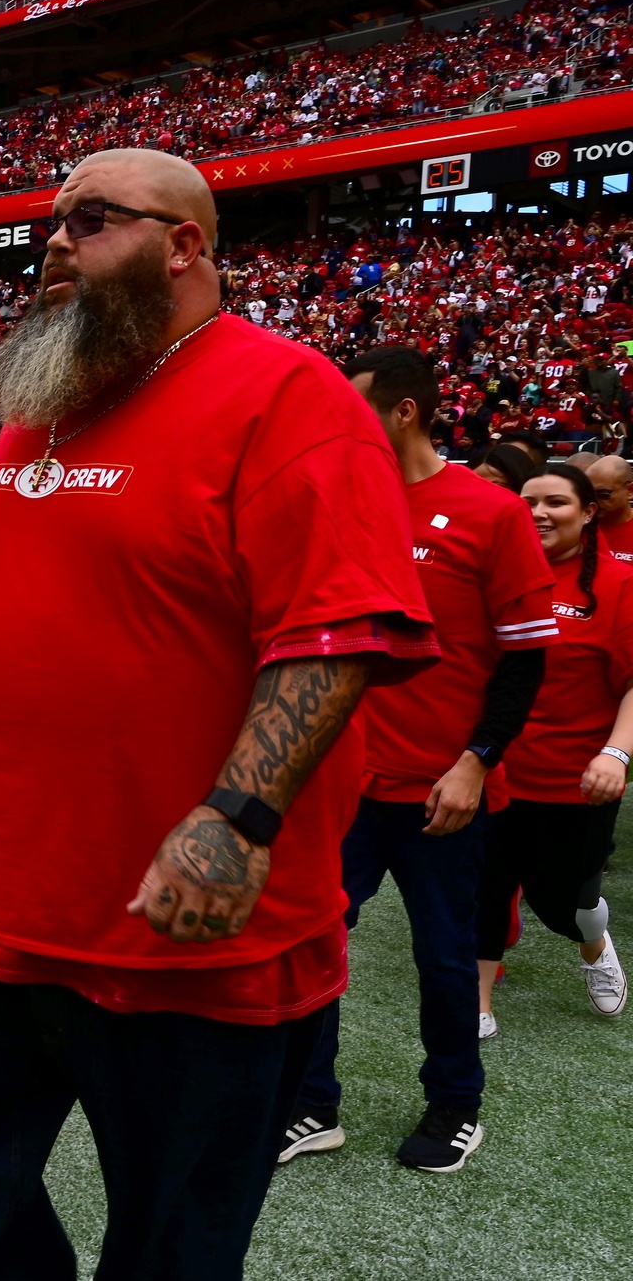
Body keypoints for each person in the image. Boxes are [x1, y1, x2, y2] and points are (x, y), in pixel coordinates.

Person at [0, 150, 435, 1277]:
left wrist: (233, 816)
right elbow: (27, 580)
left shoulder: (286, 394)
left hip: (182, 928)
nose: (52, 242)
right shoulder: (42, 403)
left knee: (174, 1232)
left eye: (88, 219)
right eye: (48, 220)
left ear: (184, 244)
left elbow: (334, 635)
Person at [286, 345, 558, 1173]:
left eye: (354, 407)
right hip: (340, 784)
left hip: (443, 788)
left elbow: (523, 659)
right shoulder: (336, 505)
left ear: (403, 411)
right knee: (312, 940)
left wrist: (476, 761)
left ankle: (455, 1103)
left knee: (443, 956)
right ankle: (311, 1104)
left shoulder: (490, 513)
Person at [475, 464, 630, 1032]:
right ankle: (479, 1002)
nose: (539, 513)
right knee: (485, 885)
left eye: (556, 502)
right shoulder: (496, 574)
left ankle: (594, 946)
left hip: (575, 781)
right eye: (528, 501)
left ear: (589, 512)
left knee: (565, 902)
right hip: (491, 770)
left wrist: (615, 754)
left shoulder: (617, 584)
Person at [585, 455, 633, 563]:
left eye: (603, 494)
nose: (595, 501)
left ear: (630, 491)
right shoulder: (576, 530)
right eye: (590, 495)